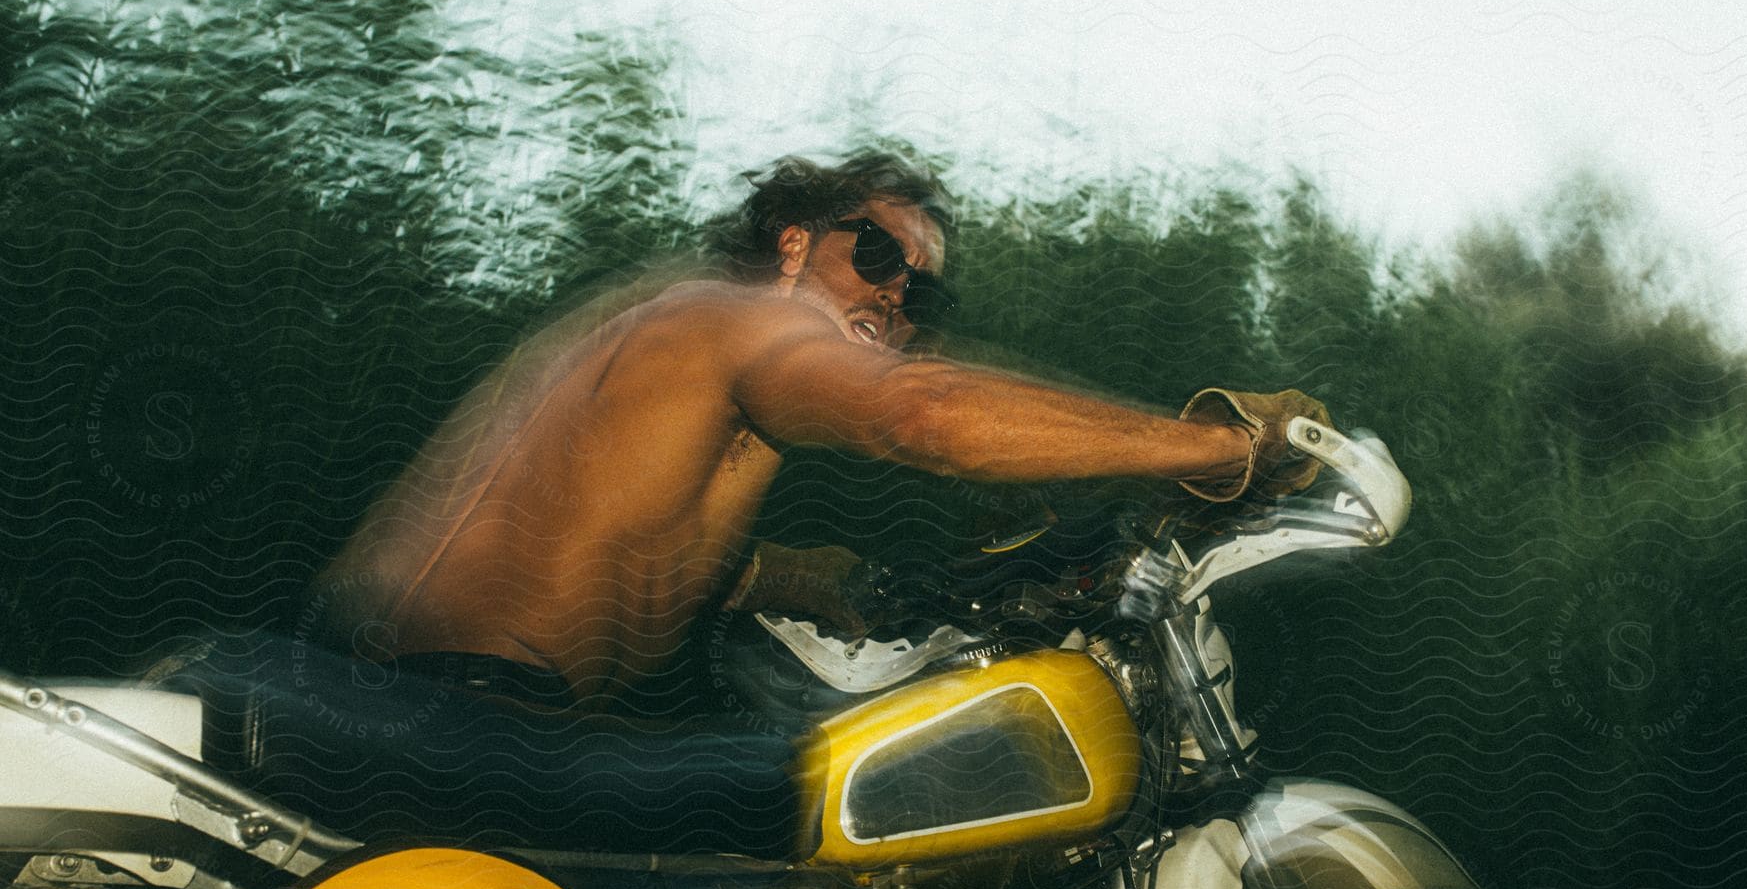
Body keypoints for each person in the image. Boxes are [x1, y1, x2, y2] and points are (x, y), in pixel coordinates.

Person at [314, 151, 1327, 711]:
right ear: (796, 242)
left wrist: (791, 577)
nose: (893, 292)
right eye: (876, 251)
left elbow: (597, 521)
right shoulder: (747, 318)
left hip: (443, 704)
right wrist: (1224, 446)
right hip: (463, 715)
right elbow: (924, 415)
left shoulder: (695, 347)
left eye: (918, 289)